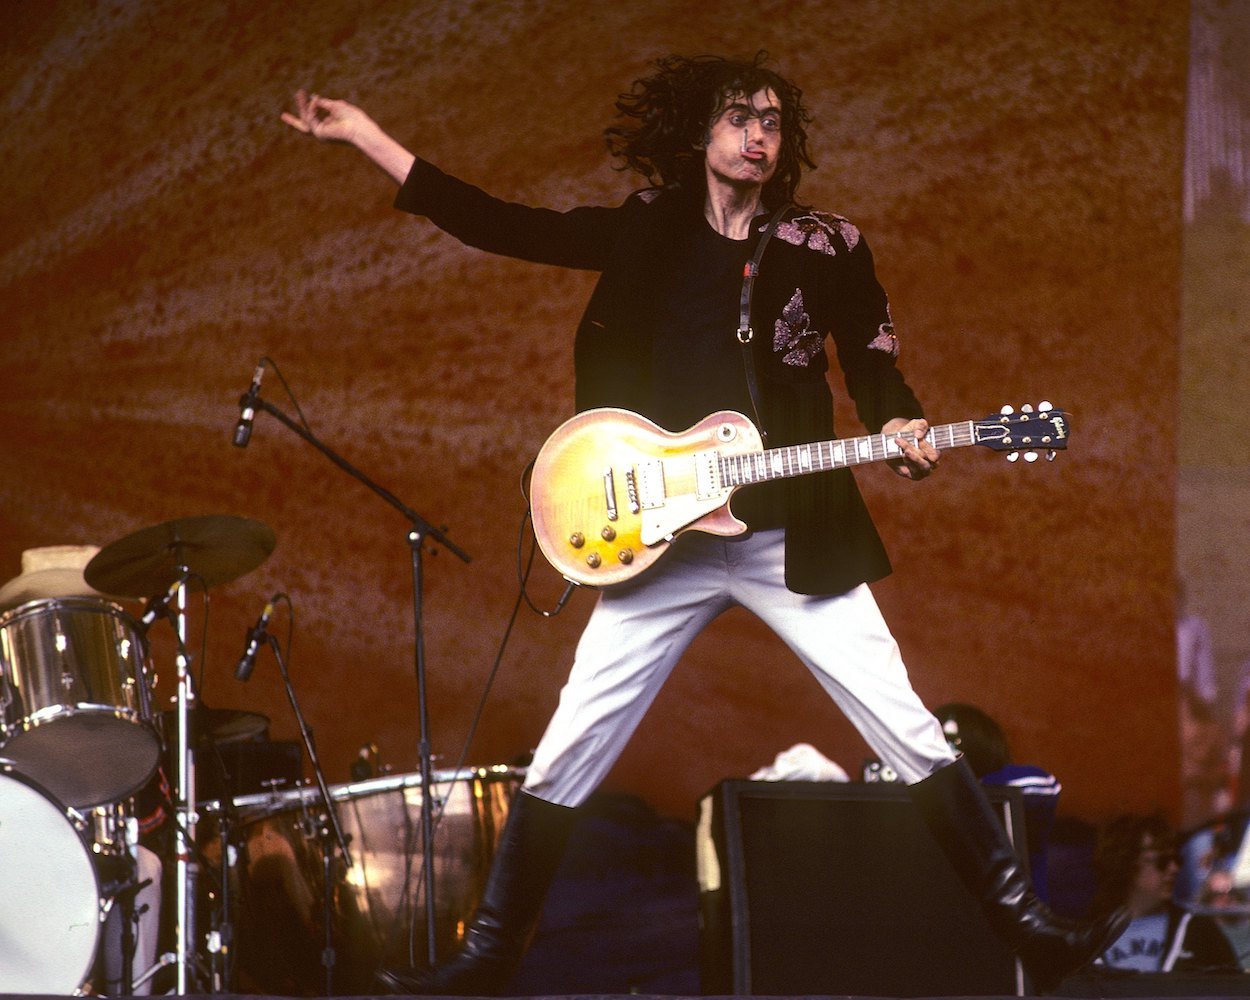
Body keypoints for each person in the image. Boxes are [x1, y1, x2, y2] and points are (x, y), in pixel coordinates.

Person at [282, 52, 1126, 995]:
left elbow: (875, 361)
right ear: (700, 132)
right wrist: (367, 138)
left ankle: (1030, 931)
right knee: (572, 742)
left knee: (905, 724)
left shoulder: (827, 244)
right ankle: (489, 959)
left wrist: (899, 422)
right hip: (664, 543)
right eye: (738, 118)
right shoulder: (649, 229)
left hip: (791, 535)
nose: (757, 136)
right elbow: (501, 223)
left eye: (771, 121)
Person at [934, 702, 1061, 901]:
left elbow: (1043, 786)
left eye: (951, 740)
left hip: (1015, 909)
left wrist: (970, 784)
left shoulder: (1021, 784)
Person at [1094, 812, 1238, 973]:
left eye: (1177, 859)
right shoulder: (1088, 933)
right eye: (1162, 861)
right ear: (1126, 863)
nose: (1173, 868)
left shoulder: (1200, 931)